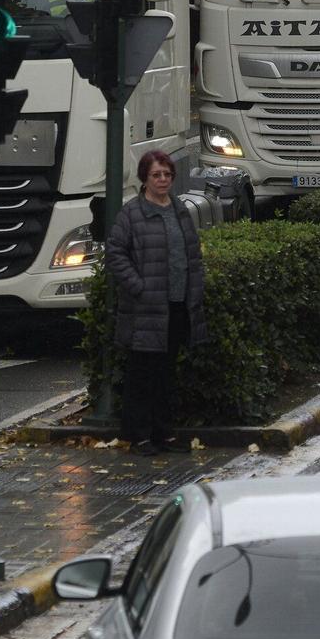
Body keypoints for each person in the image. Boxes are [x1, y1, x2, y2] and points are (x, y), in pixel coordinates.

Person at [104, 150, 209, 455]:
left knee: (166, 374)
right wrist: (139, 286)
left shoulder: (179, 209)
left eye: (167, 174)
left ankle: (164, 433)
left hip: (177, 305)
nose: (163, 180)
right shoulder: (132, 213)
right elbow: (115, 253)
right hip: (146, 308)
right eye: (156, 175)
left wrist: (194, 290)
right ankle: (138, 436)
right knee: (142, 374)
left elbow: (192, 253)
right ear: (145, 178)